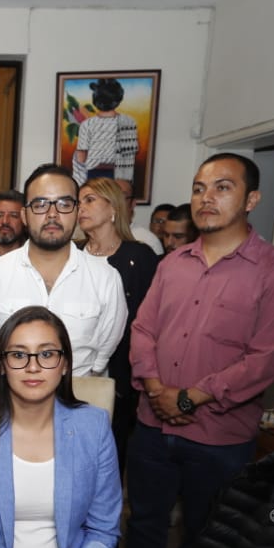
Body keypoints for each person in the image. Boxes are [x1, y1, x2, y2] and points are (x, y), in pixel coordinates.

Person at [125, 153, 274, 548]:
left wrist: (188, 399)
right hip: (152, 428)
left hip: (219, 439)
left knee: (205, 539)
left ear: (251, 199)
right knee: (144, 526)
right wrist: (156, 392)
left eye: (223, 187)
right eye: (199, 188)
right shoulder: (172, 264)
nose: (207, 198)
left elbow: (265, 359)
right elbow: (143, 331)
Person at [0, 306, 121, 548]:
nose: (33, 366)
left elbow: (103, 528)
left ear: (64, 364)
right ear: (3, 365)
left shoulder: (93, 426)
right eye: (18, 355)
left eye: (47, 354)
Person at [0, 163, 126, 377]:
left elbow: (100, 361)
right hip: (10, 401)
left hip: (79, 397)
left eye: (64, 203)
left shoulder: (105, 279)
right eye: (40, 204)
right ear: (24, 215)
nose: (52, 214)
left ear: (77, 211)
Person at [76, 178, 158, 465]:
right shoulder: (70, 255)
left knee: (110, 452)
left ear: (113, 208)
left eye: (90, 200)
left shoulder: (141, 257)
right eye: (79, 201)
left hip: (120, 373)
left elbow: (151, 321)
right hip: (73, 371)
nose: (80, 207)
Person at [71, 78, 139, 186]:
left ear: (95, 100)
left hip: (94, 174)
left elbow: (81, 157)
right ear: (118, 99)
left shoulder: (87, 124)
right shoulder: (129, 122)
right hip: (120, 175)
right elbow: (131, 154)